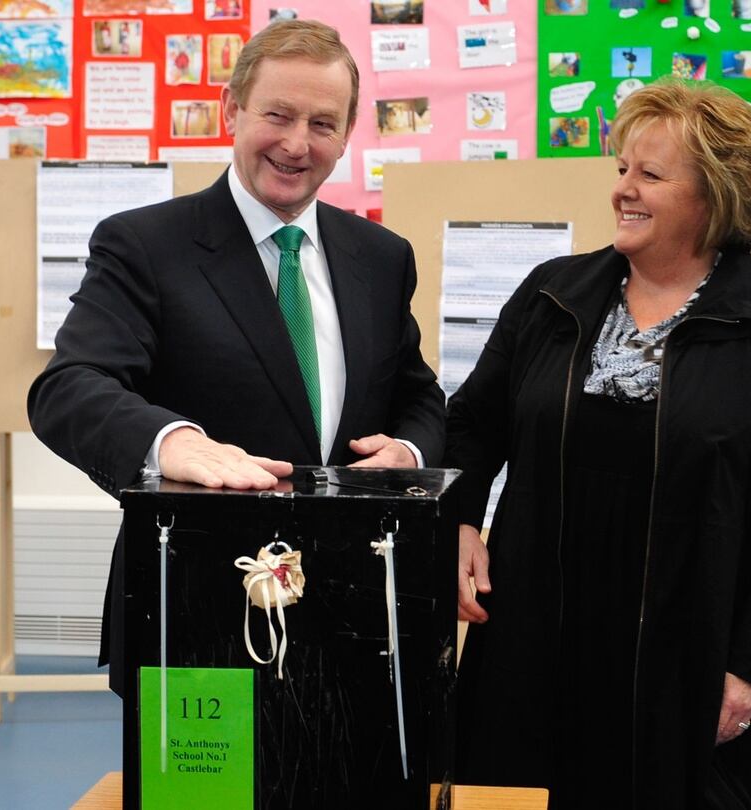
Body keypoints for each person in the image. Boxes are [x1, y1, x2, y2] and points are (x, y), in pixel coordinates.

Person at [447, 79, 751, 808]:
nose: (622, 190)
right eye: (622, 169)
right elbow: (471, 424)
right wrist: (464, 518)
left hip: (689, 666)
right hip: (536, 650)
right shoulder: (552, 294)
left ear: (714, 196)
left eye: (650, 175)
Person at [27, 19, 444, 696]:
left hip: (354, 610)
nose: (296, 143)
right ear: (230, 109)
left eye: (322, 124)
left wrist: (410, 454)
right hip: (196, 606)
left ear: (346, 134)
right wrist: (170, 441)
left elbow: (417, 394)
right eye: (277, 115)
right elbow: (68, 387)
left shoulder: (381, 257)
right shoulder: (146, 246)